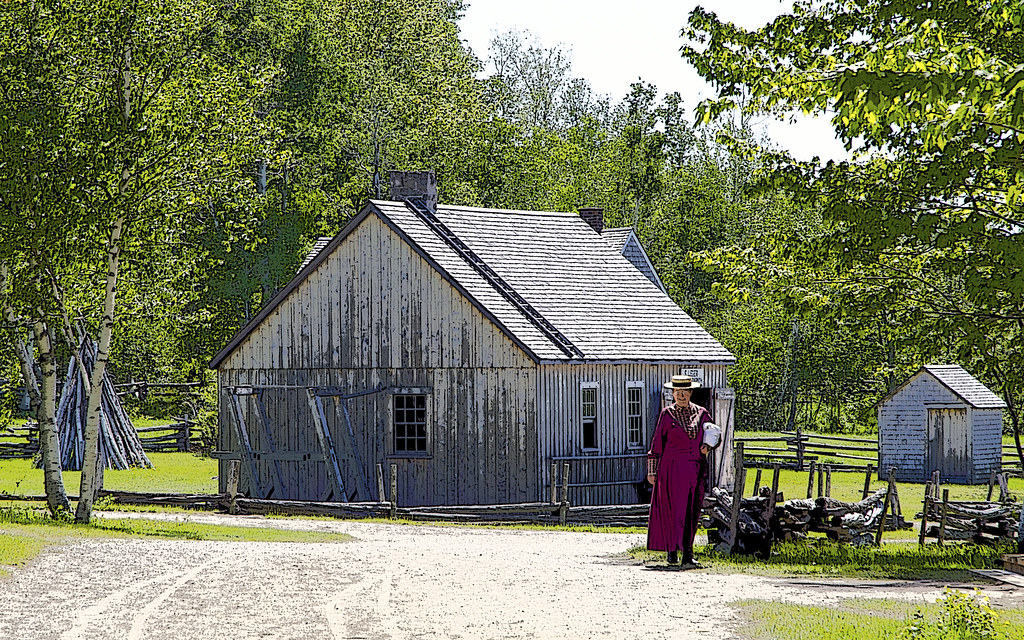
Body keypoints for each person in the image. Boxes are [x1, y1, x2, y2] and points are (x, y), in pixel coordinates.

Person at [646, 375, 719, 567]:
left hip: (695, 470)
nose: (681, 395)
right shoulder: (666, 414)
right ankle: (672, 552)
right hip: (670, 471)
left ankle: (688, 554)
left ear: (690, 392)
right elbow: (656, 445)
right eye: (678, 392)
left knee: (692, 512)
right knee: (673, 511)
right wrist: (652, 471)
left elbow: (714, 435)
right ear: (672, 393)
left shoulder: (702, 413)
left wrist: (708, 446)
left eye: (685, 392)